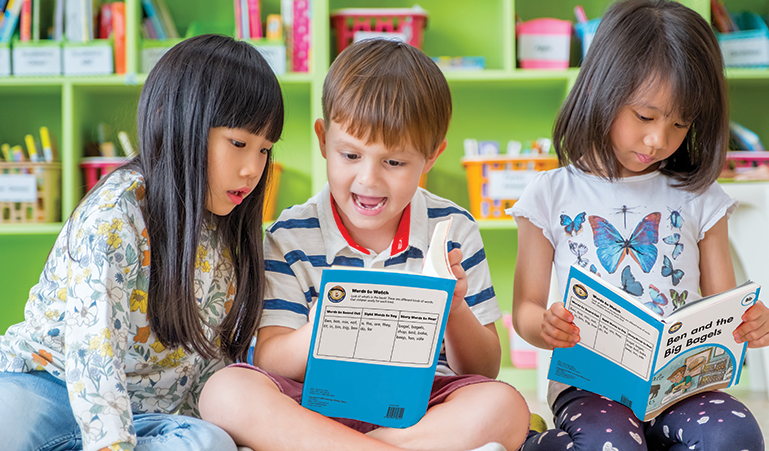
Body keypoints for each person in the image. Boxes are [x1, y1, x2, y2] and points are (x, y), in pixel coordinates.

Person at [199, 38, 530, 451]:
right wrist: (319, 330)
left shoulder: (453, 227)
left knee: (505, 406)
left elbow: (485, 368)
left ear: (431, 157)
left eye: (393, 162)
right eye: (350, 155)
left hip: (419, 409)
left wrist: (456, 309)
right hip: (314, 406)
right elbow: (269, 358)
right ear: (323, 140)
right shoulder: (290, 234)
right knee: (226, 391)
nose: (369, 180)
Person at [0, 34, 284, 451]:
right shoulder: (116, 214)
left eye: (264, 150)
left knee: (210, 442)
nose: (252, 169)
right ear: (174, 121)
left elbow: (211, 363)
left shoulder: (226, 232)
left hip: (148, 414)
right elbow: (92, 353)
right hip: (50, 386)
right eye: (239, 144)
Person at [508, 1, 769, 450]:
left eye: (680, 123)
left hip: (680, 385)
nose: (658, 139)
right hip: (591, 385)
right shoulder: (549, 194)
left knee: (736, 435)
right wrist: (545, 326)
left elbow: (722, 306)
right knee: (614, 447)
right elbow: (525, 310)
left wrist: (749, 325)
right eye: (645, 117)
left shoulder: (700, 198)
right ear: (600, 90)